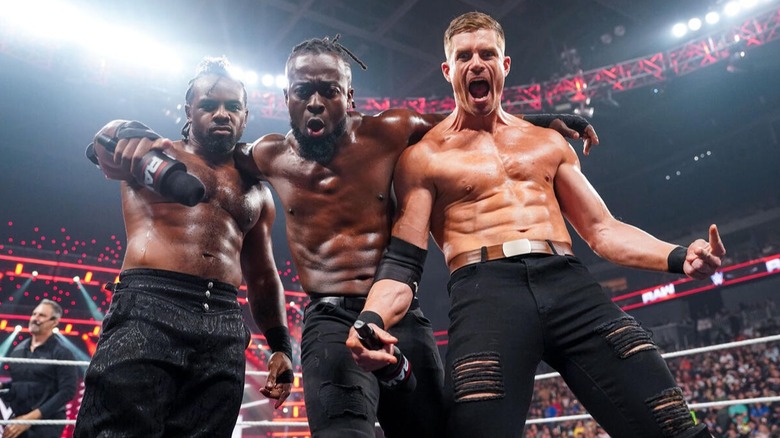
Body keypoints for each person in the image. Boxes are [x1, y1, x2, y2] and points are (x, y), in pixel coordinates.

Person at [105, 36, 598, 437]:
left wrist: (541, 123)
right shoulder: (265, 157)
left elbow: (459, 127)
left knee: (431, 431)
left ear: (349, 96)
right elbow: (203, 154)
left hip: (399, 311)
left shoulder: (390, 132)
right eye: (303, 91)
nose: (316, 102)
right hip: (326, 318)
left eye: (329, 90)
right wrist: (122, 135)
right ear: (286, 99)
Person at [347, 12, 724, 438]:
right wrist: (370, 317)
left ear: (504, 66)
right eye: (464, 55)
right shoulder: (425, 157)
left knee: (674, 425)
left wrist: (679, 256)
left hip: (569, 286)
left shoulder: (548, 142)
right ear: (447, 70)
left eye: (487, 53)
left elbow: (602, 230)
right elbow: (402, 265)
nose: (477, 63)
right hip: (484, 293)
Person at [73, 58, 293, 437]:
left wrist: (281, 347)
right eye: (209, 105)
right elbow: (103, 143)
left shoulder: (257, 190)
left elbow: (262, 275)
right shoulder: (153, 155)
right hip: (150, 305)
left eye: (233, 107)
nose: (221, 114)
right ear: (188, 110)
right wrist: (112, 135)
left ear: (245, 116)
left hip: (224, 321)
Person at [0, 300, 78, 438]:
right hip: (19, 418)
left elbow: (67, 391)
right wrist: (3, 386)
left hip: (47, 422)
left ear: (54, 322)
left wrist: (30, 418)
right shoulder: (18, 351)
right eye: (34, 314)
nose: (35, 318)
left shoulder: (62, 353)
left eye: (41, 315)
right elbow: (20, 385)